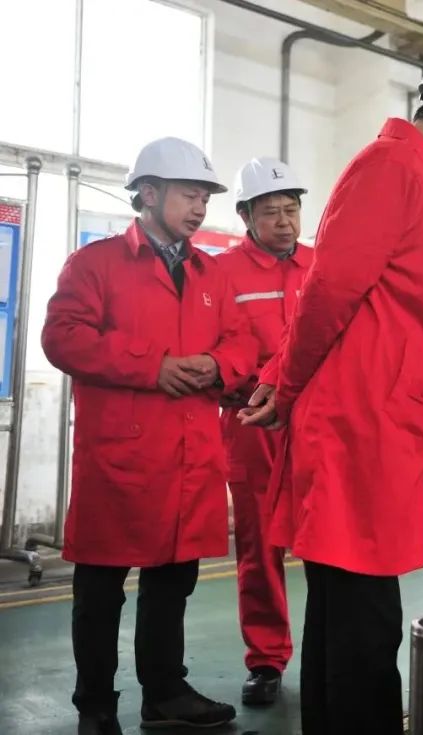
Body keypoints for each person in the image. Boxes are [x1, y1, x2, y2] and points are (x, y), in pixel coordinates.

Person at [238, 49, 423, 733]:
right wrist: (285, 384)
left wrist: (283, 378)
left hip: (374, 429)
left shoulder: (420, 186)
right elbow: (327, 294)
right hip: (356, 433)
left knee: (346, 617)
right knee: (364, 628)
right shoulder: (391, 169)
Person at [41, 137, 258, 735]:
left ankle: (164, 692)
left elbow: (242, 341)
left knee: (173, 580)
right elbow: (62, 337)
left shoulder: (211, 273)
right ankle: (95, 705)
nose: (200, 208)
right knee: (101, 586)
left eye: (205, 197)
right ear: (149, 193)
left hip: (190, 453)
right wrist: (152, 366)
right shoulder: (95, 264)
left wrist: (218, 365)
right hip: (121, 455)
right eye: (190, 195)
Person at [215, 157, 312, 706]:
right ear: (246, 216)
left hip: (315, 423)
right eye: (270, 211)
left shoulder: (321, 265)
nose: (283, 221)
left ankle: (328, 647)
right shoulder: (221, 274)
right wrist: (231, 383)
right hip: (251, 423)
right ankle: (267, 659)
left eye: (291, 209)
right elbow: (209, 344)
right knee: (258, 547)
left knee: (328, 539)